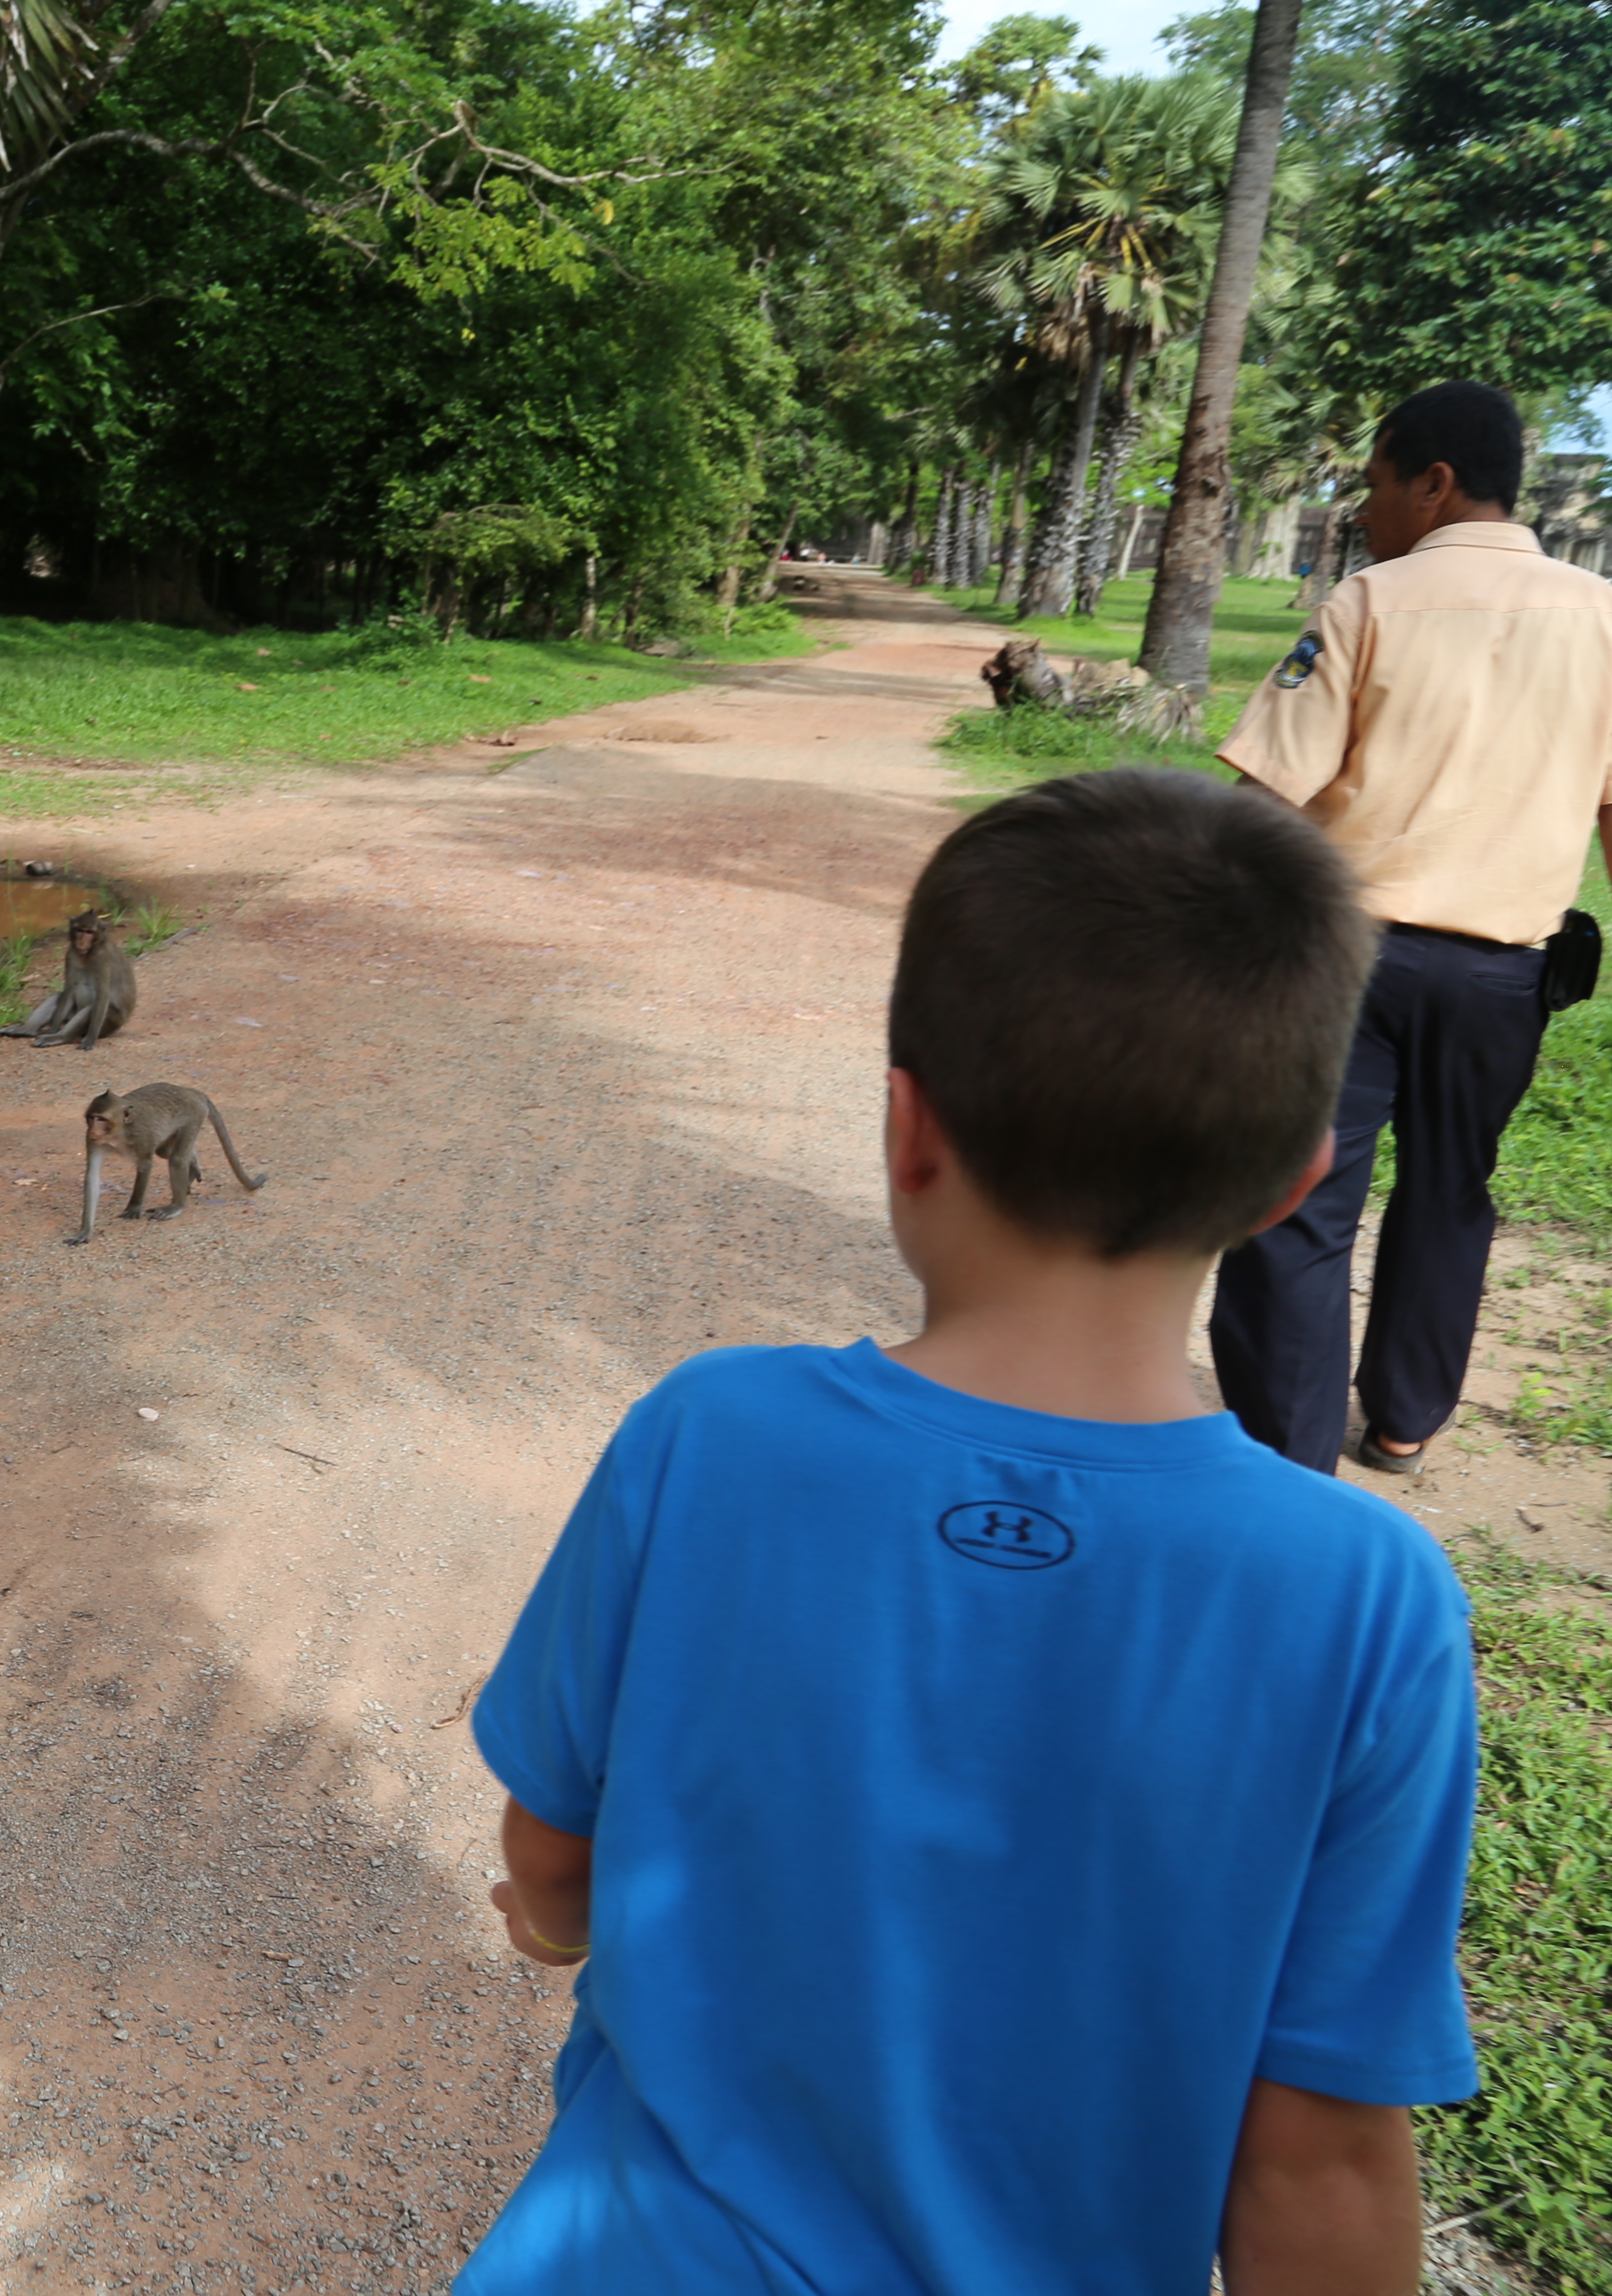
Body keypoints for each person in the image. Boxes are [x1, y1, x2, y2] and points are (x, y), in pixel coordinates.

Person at [463, 770, 1477, 2293]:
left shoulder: (712, 1430)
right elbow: (1321, 2154)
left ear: (905, 1129)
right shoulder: (1364, 1595)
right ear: (1298, 1182)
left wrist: (555, 1923)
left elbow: (555, 1841)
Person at [1209, 379, 1612, 1476]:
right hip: (1504, 976)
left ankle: (1290, 1460)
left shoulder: (1369, 604)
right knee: (1451, 1191)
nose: (1365, 506)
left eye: (1376, 481)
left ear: (1434, 483)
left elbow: (1267, 798)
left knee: (1298, 1199)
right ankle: (1402, 1417)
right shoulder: (1605, 618)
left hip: (1344, 959)